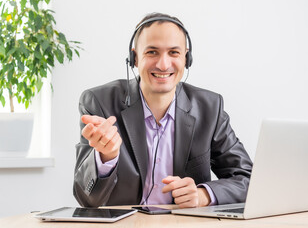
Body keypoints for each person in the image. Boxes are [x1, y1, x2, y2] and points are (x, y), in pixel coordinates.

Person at [73, 13, 253, 208]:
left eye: (174, 53)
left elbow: (248, 179)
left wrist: (203, 195)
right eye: (152, 52)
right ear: (134, 58)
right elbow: (86, 200)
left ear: (187, 58)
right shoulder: (100, 103)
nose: (163, 64)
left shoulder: (209, 108)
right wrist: (105, 158)